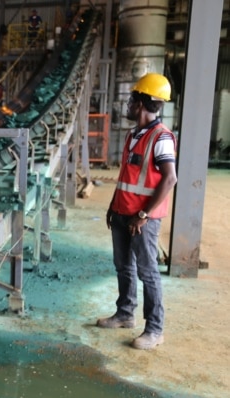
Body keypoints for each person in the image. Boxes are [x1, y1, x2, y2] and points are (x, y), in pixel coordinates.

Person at [96, 72, 178, 350]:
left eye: (132, 99)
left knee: (147, 272)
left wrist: (143, 215)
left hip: (143, 219)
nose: (128, 104)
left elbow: (170, 178)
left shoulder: (161, 137)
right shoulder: (133, 135)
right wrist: (113, 206)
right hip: (122, 213)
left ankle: (154, 330)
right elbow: (127, 177)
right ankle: (125, 314)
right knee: (123, 267)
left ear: (141, 103)